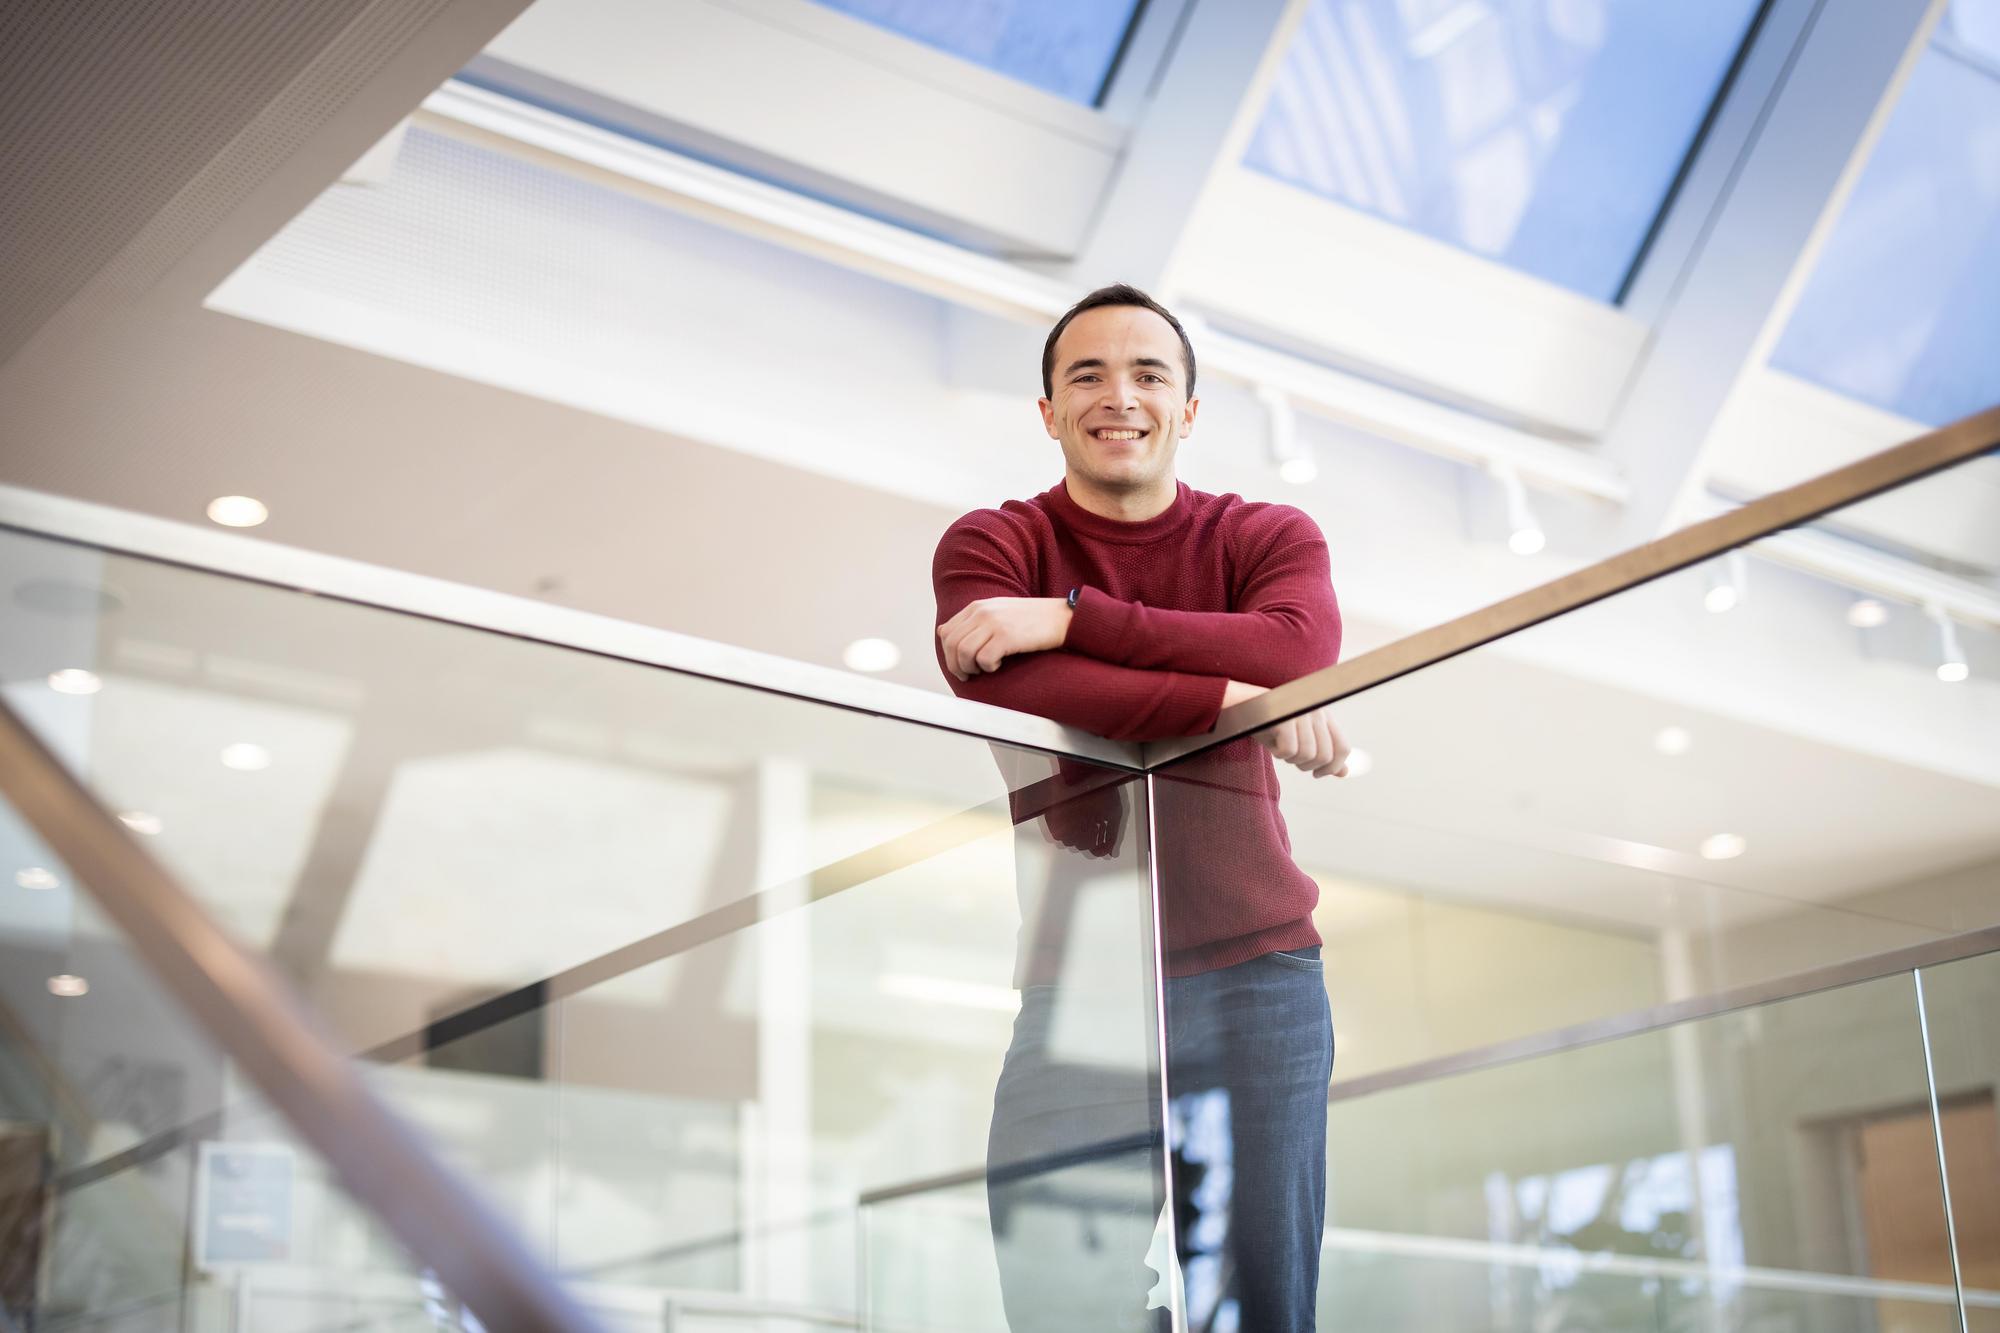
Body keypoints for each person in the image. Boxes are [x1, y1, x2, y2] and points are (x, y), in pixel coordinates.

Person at [932, 284, 1348, 1331]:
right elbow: (1015, 686)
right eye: (1086, 374)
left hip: (1259, 977)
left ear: (1188, 410)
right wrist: (1228, 700)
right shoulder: (989, 546)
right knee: (1060, 1305)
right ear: (1047, 411)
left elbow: (1294, 649)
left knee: (1260, 1306)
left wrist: (1071, 617)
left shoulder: (1263, 535)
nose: (1118, 396)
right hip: (1081, 985)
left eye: (1147, 373)